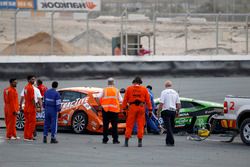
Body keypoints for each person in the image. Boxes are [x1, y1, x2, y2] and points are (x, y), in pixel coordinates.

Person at [122, 76, 152, 147]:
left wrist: (123, 109)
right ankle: (140, 142)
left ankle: (126, 141)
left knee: (129, 125)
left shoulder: (129, 89)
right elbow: (148, 101)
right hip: (141, 107)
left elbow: (125, 100)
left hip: (132, 108)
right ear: (140, 83)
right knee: (140, 125)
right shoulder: (144, 89)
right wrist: (150, 110)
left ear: (134, 82)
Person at [97, 78, 123, 144]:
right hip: (114, 110)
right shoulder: (116, 90)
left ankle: (105, 139)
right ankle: (115, 140)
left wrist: (99, 104)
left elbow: (97, 97)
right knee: (114, 126)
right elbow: (121, 100)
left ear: (107, 83)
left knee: (105, 125)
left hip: (105, 110)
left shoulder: (104, 90)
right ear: (113, 83)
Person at [157, 80, 181, 146]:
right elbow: (178, 105)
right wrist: (178, 112)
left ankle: (172, 141)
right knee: (171, 127)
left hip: (166, 111)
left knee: (168, 127)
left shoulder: (164, 92)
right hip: (173, 111)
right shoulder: (175, 92)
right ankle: (168, 141)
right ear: (171, 85)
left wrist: (158, 112)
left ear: (165, 85)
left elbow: (161, 103)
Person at [21, 75, 37, 141]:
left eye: (34, 79)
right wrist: (35, 106)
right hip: (31, 107)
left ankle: (26, 136)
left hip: (26, 106)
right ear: (29, 80)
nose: (33, 81)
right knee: (32, 123)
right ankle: (29, 137)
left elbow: (25, 97)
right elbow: (32, 98)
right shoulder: (31, 88)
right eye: (32, 79)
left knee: (27, 122)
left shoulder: (25, 87)